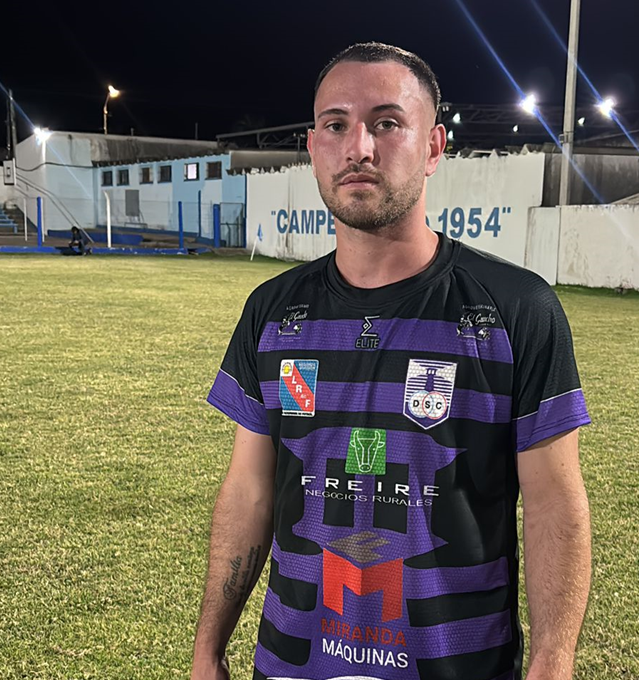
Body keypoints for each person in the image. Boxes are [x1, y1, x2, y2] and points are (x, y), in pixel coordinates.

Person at [192, 42, 592, 680]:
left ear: (433, 147)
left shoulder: (517, 308)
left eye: (386, 123)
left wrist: (552, 662)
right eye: (336, 125)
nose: (359, 148)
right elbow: (249, 491)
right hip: (292, 664)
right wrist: (207, 650)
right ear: (312, 147)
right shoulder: (272, 311)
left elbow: (553, 504)